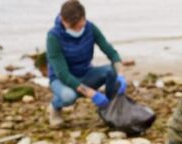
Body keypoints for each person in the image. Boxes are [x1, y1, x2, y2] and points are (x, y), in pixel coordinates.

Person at [46, 0, 127, 128]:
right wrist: (92, 94)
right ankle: (55, 107)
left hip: (85, 73)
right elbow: (63, 74)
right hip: (61, 79)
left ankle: (111, 109)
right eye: (72, 27)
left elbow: (111, 53)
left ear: (84, 17)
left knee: (111, 72)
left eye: (79, 26)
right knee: (69, 96)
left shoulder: (90, 28)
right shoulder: (53, 37)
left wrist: (121, 74)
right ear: (62, 20)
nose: (77, 29)